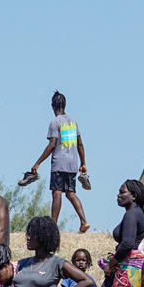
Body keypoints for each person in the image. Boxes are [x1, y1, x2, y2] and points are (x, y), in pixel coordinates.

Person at [27, 91, 89, 233]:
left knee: (57, 193)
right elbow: (80, 144)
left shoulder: (55, 122)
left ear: (52, 106)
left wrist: (37, 163)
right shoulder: (73, 122)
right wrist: (83, 163)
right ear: (65, 105)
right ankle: (84, 221)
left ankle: (53, 226)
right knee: (70, 193)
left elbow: (52, 145)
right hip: (72, 164)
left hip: (59, 163)